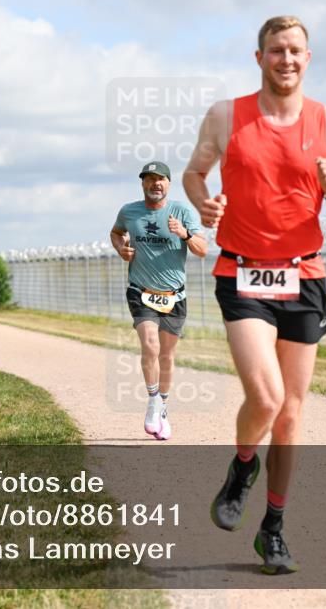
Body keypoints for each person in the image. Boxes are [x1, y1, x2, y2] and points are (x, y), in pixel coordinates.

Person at [184, 16, 326, 574]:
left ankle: (273, 529)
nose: (287, 59)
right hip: (242, 273)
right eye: (276, 50)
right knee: (266, 399)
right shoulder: (225, 115)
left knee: (290, 415)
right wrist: (204, 203)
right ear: (258, 57)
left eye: (296, 50)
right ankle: (241, 466)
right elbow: (194, 174)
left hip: (303, 276)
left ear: (309, 58)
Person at [110, 161, 207, 441]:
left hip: (174, 295)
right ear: (142, 183)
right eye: (149, 179)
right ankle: (153, 402)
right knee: (150, 346)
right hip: (140, 290)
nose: (155, 184)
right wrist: (121, 249)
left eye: (160, 179)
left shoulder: (182, 211)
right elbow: (116, 233)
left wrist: (185, 234)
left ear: (168, 183)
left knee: (166, 355)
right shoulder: (129, 211)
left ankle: (162, 404)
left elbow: (202, 249)